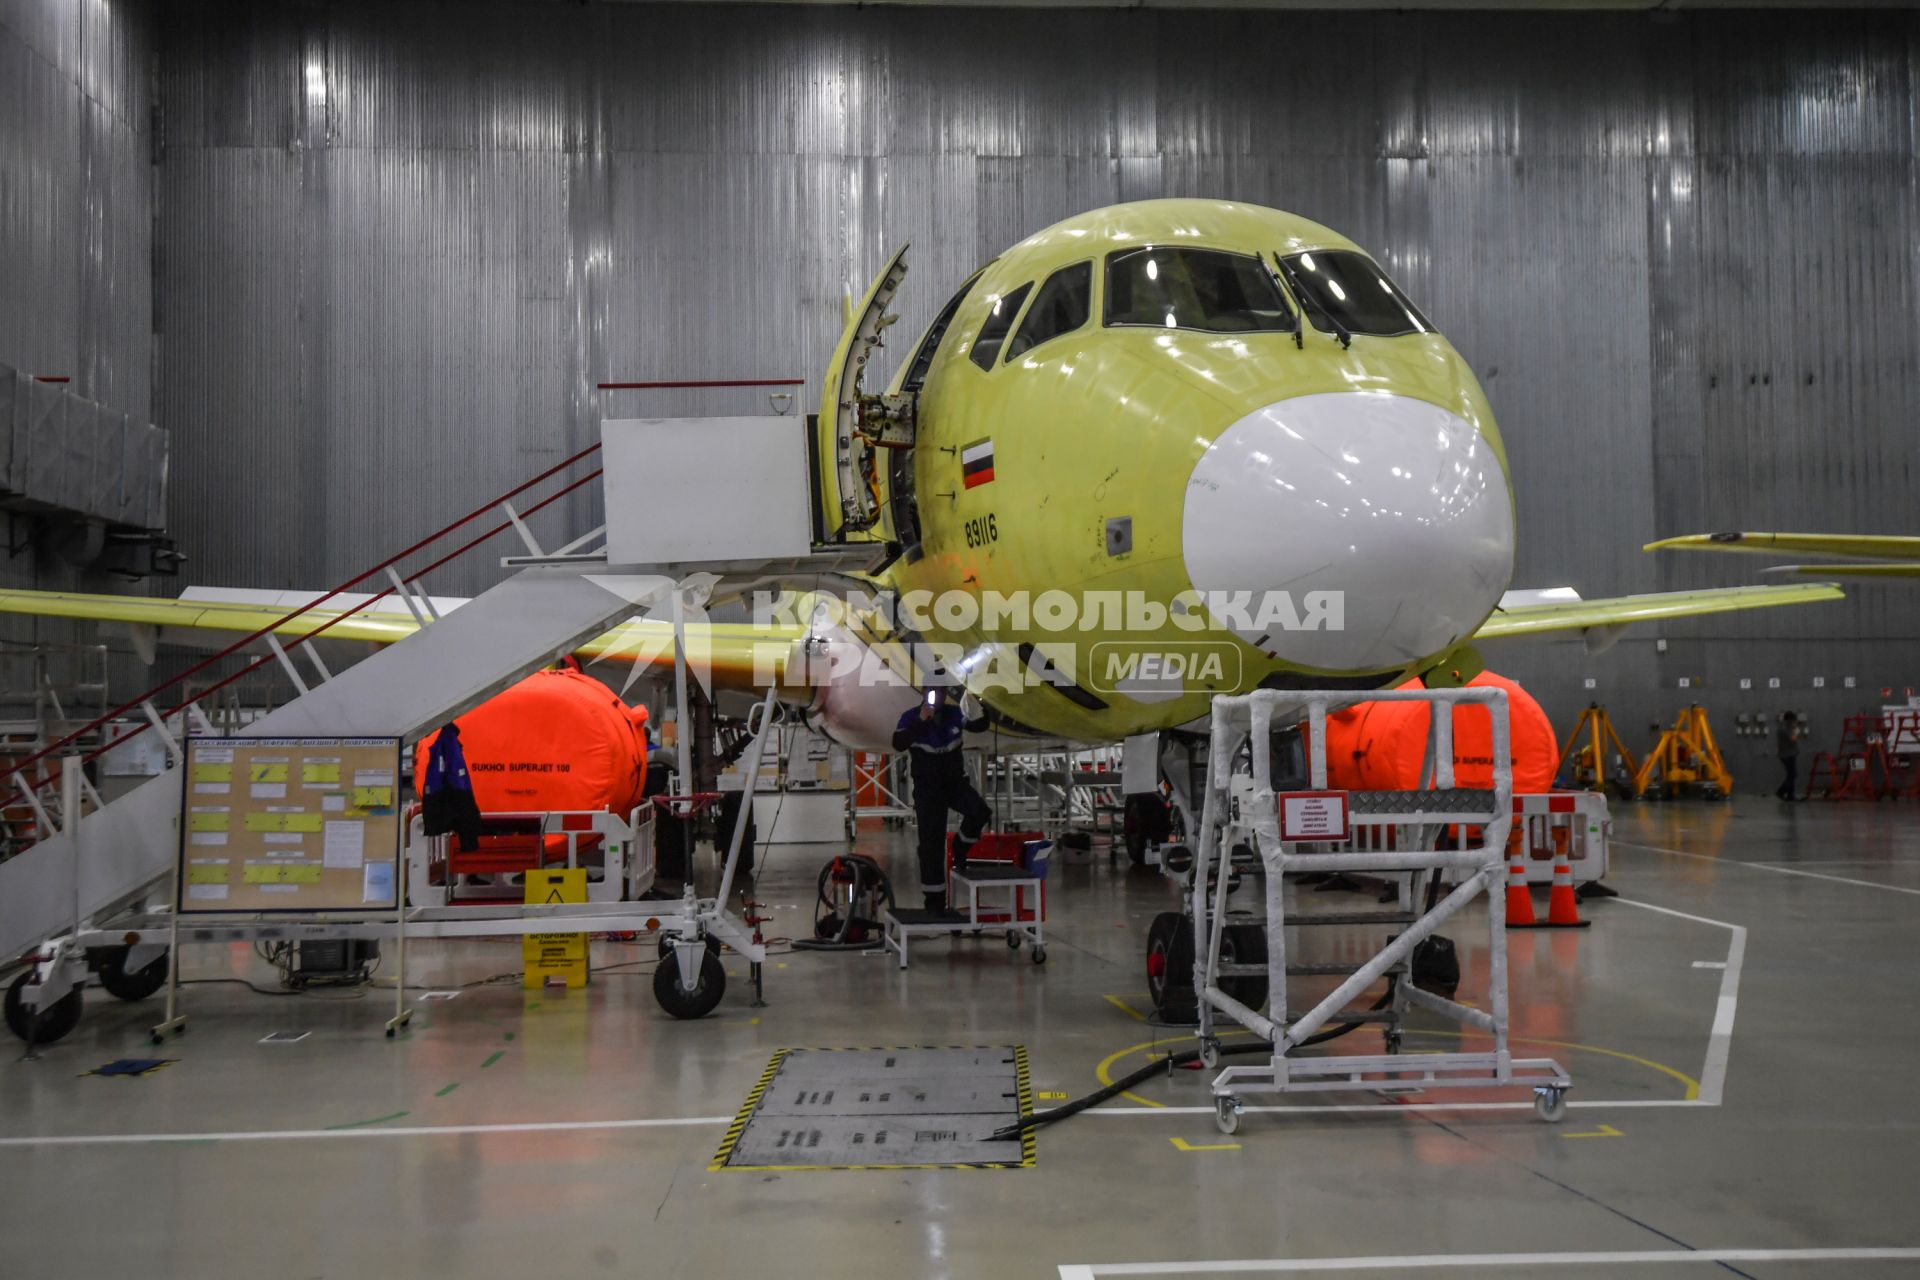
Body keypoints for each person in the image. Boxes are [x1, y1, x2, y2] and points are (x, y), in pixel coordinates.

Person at [892, 686, 992, 914]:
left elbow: (978, 726)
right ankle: (935, 901)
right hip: (928, 790)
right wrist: (920, 721)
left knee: (980, 811)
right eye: (931, 694)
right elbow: (898, 743)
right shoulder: (910, 717)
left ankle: (960, 847)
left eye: (940, 694)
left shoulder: (954, 714)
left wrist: (986, 708)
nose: (936, 699)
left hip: (954, 783)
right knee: (930, 844)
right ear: (924, 694)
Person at [1775, 711, 1804, 801]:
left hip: (1786, 755)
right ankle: (1781, 791)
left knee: (1791, 775)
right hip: (1788, 755)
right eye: (1794, 720)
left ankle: (1790, 795)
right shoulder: (1785, 728)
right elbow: (1793, 738)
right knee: (1792, 775)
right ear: (1790, 720)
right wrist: (1796, 729)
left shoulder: (1782, 728)